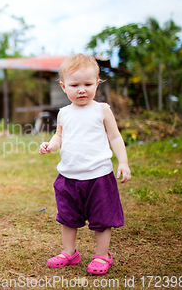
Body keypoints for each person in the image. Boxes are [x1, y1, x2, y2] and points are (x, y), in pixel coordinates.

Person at [39, 54, 131, 275]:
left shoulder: (101, 109)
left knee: (102, 218)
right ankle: (69, 252)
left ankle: (102, 254)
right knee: (68, 218)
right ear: (63, 86)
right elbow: (59, 136)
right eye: (75, 85)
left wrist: (123, 163)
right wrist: (51, 145)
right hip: (69, 177)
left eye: (88, 84)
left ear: (97, 84)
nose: (82, 90)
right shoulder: (64, 113)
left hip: (99, 176)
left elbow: (115, 137)